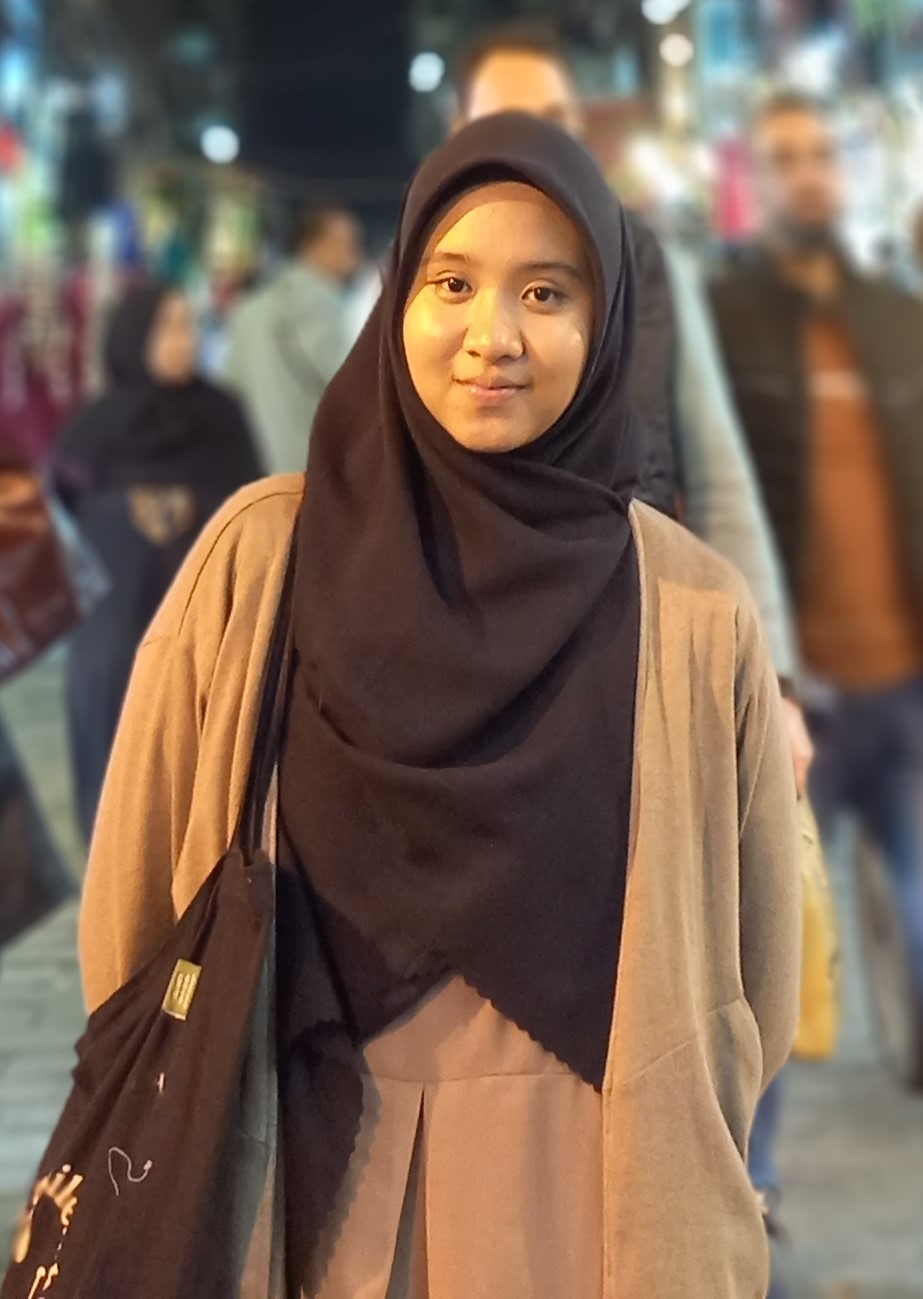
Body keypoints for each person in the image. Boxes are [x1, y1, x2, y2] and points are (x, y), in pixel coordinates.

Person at [79, 115, 800, 1297]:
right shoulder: (260, 562)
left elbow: (752, 978)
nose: (490, 337)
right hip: (285, 1184)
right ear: (395, 297)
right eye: (452, 284)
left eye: (545, 293)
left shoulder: (689, 609)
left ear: (606, 325)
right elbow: (135, 907)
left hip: (589, 1204)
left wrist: (680, 1122)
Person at [453, 20, 812, 798]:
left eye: (554, 119)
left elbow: (716, 475)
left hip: (638, 667)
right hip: (471, 692)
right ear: (460, 135)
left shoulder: (647, 266)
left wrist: (773, 680)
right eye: (505, 122)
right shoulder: (424, 284)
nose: (536, 144)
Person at [709, 86, 923, 1198]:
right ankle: (754, 1192)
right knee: (777, 957)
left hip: (903, 683)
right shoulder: (725, 320)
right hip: (795, 700)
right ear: (756, 179)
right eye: (783, 157)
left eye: (819, 156)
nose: (806, 174)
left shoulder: (893, 315)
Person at [55, 283, 262, 842]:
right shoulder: (92, 430)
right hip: (114, 637)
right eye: (167, 327)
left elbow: (250, 508)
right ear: (133, 337)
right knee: (113, 802)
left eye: (189, 325)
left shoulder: (222, 418)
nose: (184, 339)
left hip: (203, 637)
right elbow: (67, 503)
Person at [223, 205, 363, 474]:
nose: (353, 253)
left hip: (249, 463)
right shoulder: (321, 301)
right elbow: (345, 383)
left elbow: (230, 384)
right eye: (347, 243)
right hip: (301, 463)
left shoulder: (252, 304)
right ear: (316, 244)